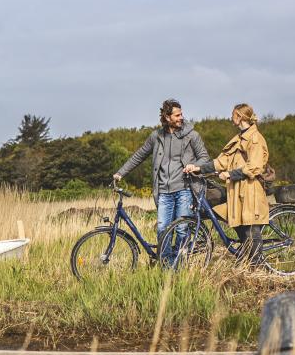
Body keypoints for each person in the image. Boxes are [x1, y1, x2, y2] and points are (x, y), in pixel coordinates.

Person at [113, 99, 212, 248]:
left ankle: (179, 263)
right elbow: (139, 155)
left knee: (182, 229)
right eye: (177, 115)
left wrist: (194, 165)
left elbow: (204, 157)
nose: (181, 118)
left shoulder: (192, 135)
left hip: (184, 189)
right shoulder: (156, 137)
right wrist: (121, 173)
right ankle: (166, 263)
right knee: (162, 230)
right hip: (163, 191)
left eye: (181, 114)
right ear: (167, 117)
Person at [184, 103, 269, 264]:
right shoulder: (238, 139)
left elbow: (255, 167)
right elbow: (221, 162)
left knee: (251, 229)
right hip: (237, 191)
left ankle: (258, 266)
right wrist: (198, 168)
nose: (231, 117)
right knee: (240, 225)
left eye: (233, 114)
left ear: (240, 116)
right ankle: (247, 261)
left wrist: (230, 174)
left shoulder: (255, 138)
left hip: (250, 190)